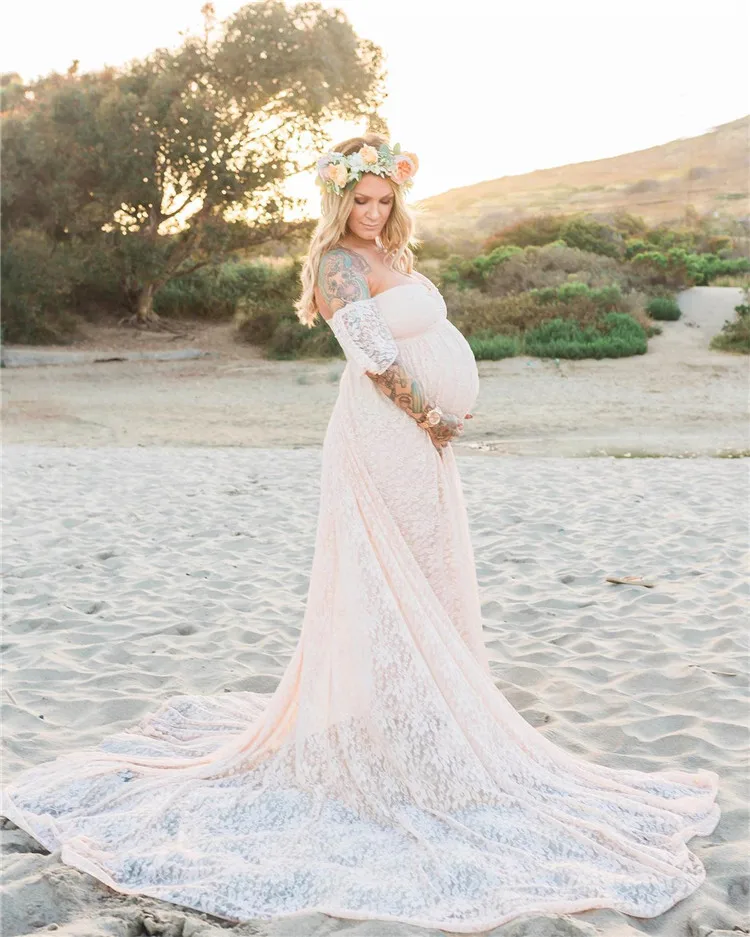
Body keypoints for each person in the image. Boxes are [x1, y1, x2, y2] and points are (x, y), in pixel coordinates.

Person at [1, 134, 720, 931]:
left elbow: (414, 333)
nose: (373, 213)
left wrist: (439, 416)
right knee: (388, 573)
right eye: (361, 201)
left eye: (383, 200)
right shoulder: (337, 264)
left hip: (420, 437)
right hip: (385, 432)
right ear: (339, 200)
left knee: (426, 568)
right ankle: (392, 732)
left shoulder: (393, 253)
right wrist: (431, 414)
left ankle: (419, 719)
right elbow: (374, 356)